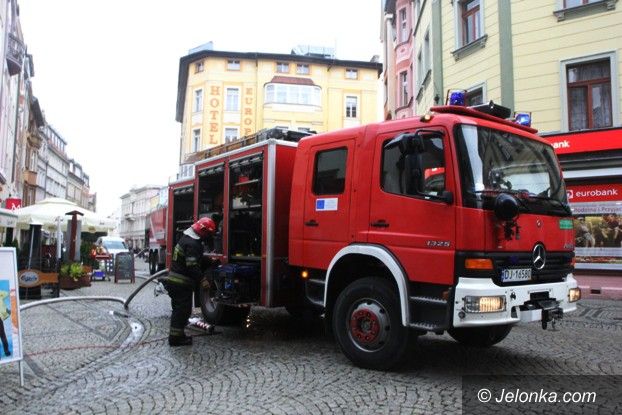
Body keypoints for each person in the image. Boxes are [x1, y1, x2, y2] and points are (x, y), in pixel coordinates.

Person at [165, 217, 216, 346]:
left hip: (176, 282)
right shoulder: (193, 244)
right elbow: (192, 266)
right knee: (181, 311)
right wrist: (203, 280)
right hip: (180, 284)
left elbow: (194, 259)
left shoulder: (186, 239)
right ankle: (175, 339)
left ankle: (179, 335)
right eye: (208, 234)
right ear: (203, 231)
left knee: (180, 310)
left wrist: (209, 261)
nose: (208, 237)